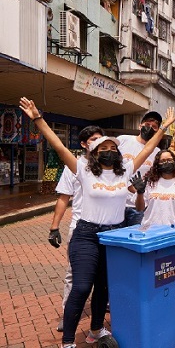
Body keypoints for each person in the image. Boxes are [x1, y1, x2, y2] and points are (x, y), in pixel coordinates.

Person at [20, 97, 175, 348]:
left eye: (113, 149)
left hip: (114, 236)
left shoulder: (124, 170)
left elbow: (148, 150)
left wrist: (164, 128)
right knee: (82, 287)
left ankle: (95, 329)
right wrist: (38, 118)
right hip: (87, 234)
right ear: (94, 152)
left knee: (104, 288)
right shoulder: (82, 169)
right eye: (104, 148)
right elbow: (58, 145)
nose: (110, 151)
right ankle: (68, 342)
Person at [48, 126, 104, 332]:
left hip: (107, 230)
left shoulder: (112, 165)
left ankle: (100, 312)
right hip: (81, 229)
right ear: (84, 144)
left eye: (101, 138)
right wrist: (54, 227)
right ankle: (68, 313)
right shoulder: (75, 166)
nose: (99, 143)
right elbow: (64, 198)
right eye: (94, 139)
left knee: (103, 275)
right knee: (74, 274)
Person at [117, 111, 163, 226]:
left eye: (154, 127)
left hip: (138, 205)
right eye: (147, 125)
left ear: (157, 131)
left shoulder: (157, 152)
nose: (150, 128)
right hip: (117, 202)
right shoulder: (123, 140)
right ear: (140, 126)